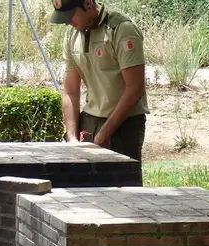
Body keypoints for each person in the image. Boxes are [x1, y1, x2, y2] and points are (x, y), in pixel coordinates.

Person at [50, 0, 149, 162]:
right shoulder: (71, 34)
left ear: (88, 3)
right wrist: (72, 138)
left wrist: (105, 133)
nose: (67, 22)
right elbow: (70, 91)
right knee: (85, 184)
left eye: (70, 15)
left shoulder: (121, 29)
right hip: (89, 121)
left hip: (124, 124)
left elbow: (135, 89)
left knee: (123, 184)